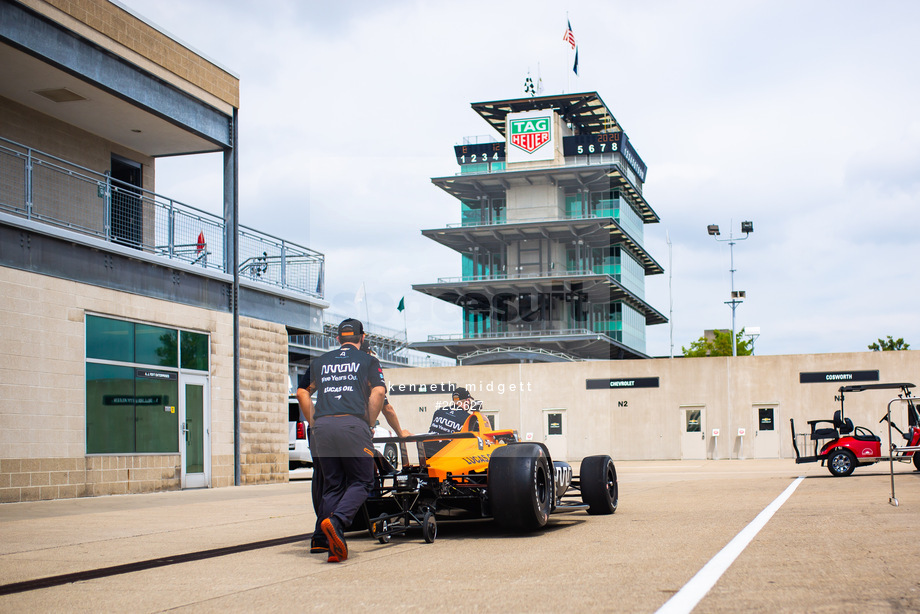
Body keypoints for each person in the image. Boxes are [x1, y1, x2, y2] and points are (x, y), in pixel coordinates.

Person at [298, 318, 386, 563]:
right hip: (352, 425)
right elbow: (378, 392)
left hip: (323, 428)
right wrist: (368, 423)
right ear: (363, 337)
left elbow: (302, 391)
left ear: (338, 339)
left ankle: (321, 539)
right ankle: (336, 523)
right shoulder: (368, 361)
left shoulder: (321, 362)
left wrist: (314, 422)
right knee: (363, 481)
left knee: (333, 484)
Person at [424, 387, 479, 456]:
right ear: (467, 401)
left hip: (428, 455)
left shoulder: (439, 412)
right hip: (450, 458)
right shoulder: (470, 419)